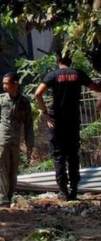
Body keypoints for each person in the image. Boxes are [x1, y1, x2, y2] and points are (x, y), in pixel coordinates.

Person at [35, 53, 101, 201]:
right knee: (73, 155)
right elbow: (96, 87)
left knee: (59, 156)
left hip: (56, 122)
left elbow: (38, 93)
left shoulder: (53, 75)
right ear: (70, 61)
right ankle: (74, 190)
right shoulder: (78, 74)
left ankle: (63, 192)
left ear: (57, 61)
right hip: (73, 121)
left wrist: (45, 113)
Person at [0, 72, 34, 207]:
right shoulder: (1, 99)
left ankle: (8, 197)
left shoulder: (24, 102)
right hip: (2, 139)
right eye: (3, 83)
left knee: (13, 171)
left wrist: (29, 143)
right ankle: (2, 200)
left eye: (7, 83)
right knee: (1, 169)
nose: (4, 86)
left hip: (15, 140)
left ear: (15, 84)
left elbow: (28, 124)